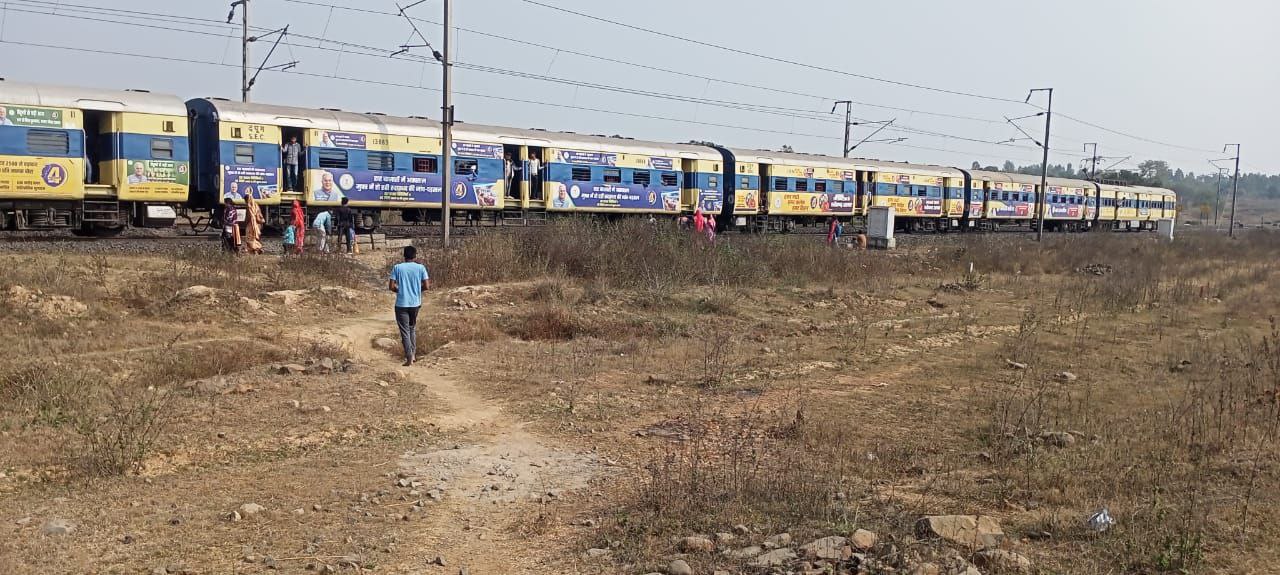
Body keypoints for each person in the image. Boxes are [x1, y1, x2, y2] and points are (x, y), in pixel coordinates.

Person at [388, 245, 430, 367]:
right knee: (412, 328)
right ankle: (414, 354)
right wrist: (417, 290)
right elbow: (427, 286)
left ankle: (409, 358)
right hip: (415, 303)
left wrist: (400, 291)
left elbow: (391, 286)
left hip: (401, 304)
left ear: (404, 255)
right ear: (415, 255)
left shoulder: (397, 268)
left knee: (404, 331)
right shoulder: (421, 268)